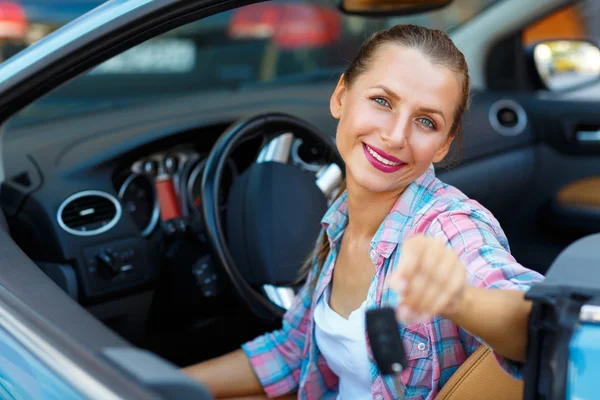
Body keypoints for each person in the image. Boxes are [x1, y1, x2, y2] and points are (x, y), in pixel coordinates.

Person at [182, 24, 544, 399]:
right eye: (383, 101)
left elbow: (537, 325)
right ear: (341, 97)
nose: (395, 136)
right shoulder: (338, 219)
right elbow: (293, 352)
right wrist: (159, 385)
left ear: (442, 145)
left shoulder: (449, 225)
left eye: (426, 122)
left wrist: (460, 300)